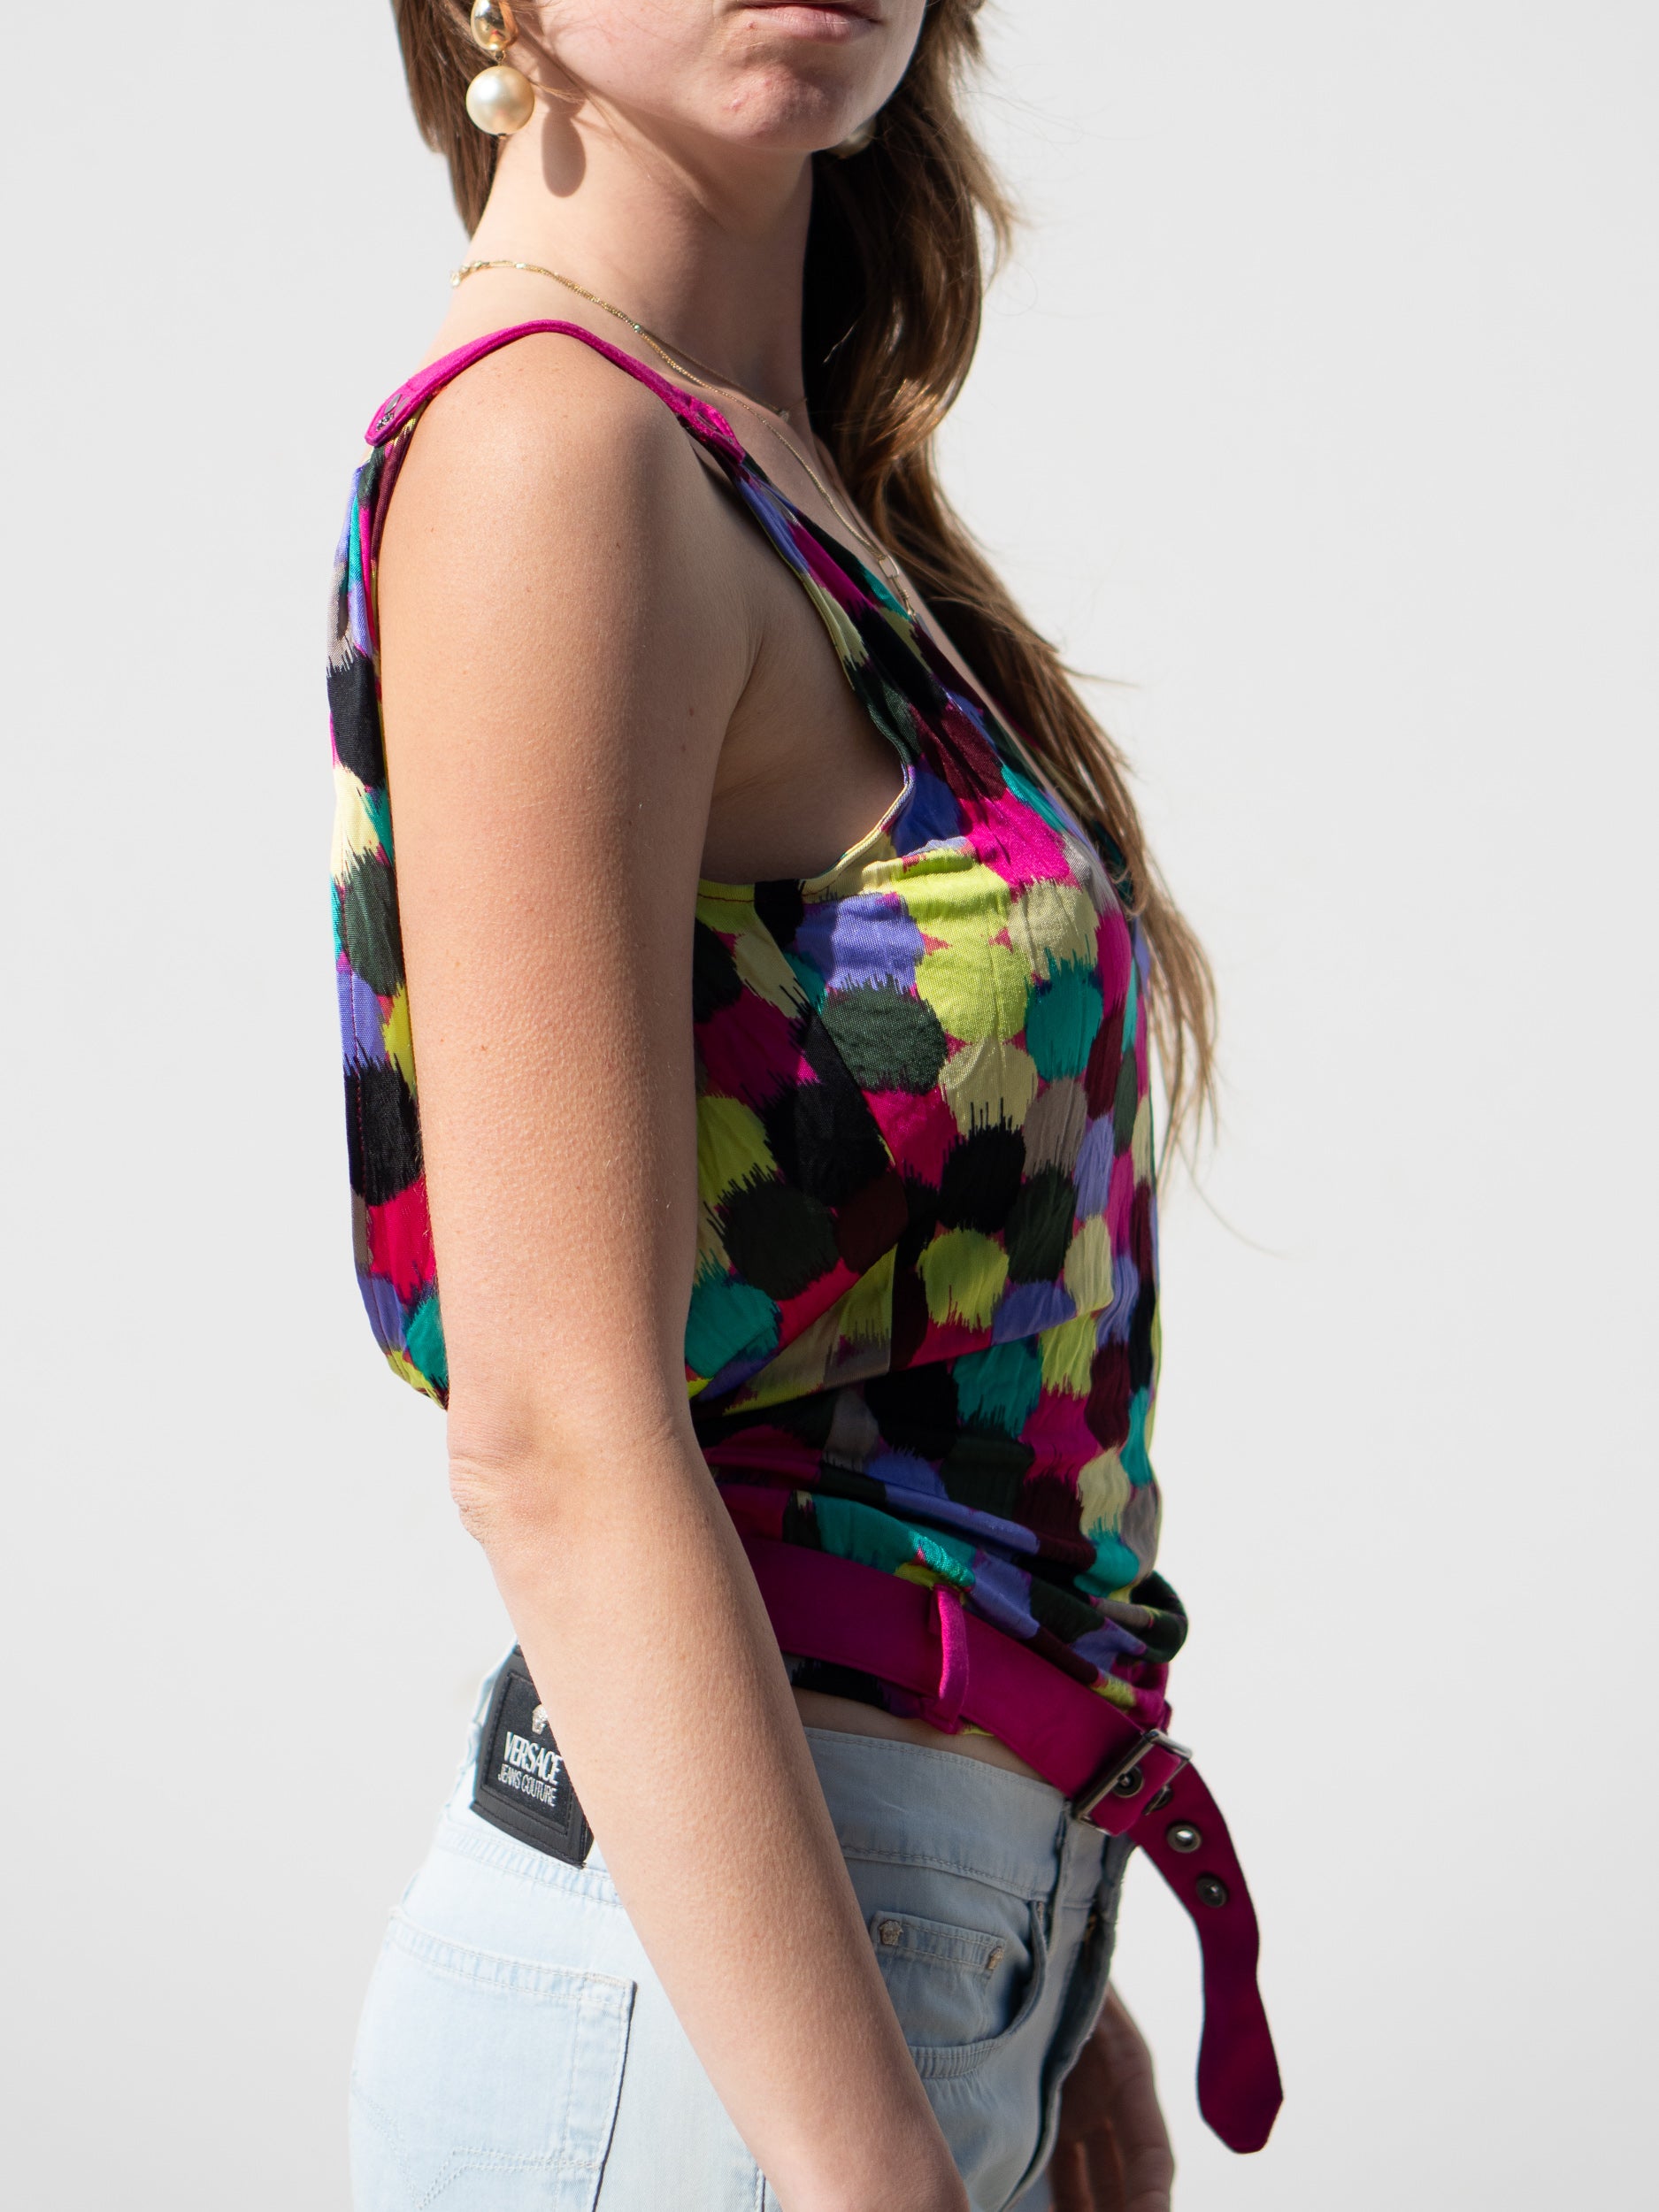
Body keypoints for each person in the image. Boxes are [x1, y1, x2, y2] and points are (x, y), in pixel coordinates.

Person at [327, 4, 1279, 2208]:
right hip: (716, 2045)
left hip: (859, 1954)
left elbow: (877, 1359)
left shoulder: (761, 474)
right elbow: (554, 1433)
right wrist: (877, 2160)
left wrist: (1036, 1964)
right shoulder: (549, 452)